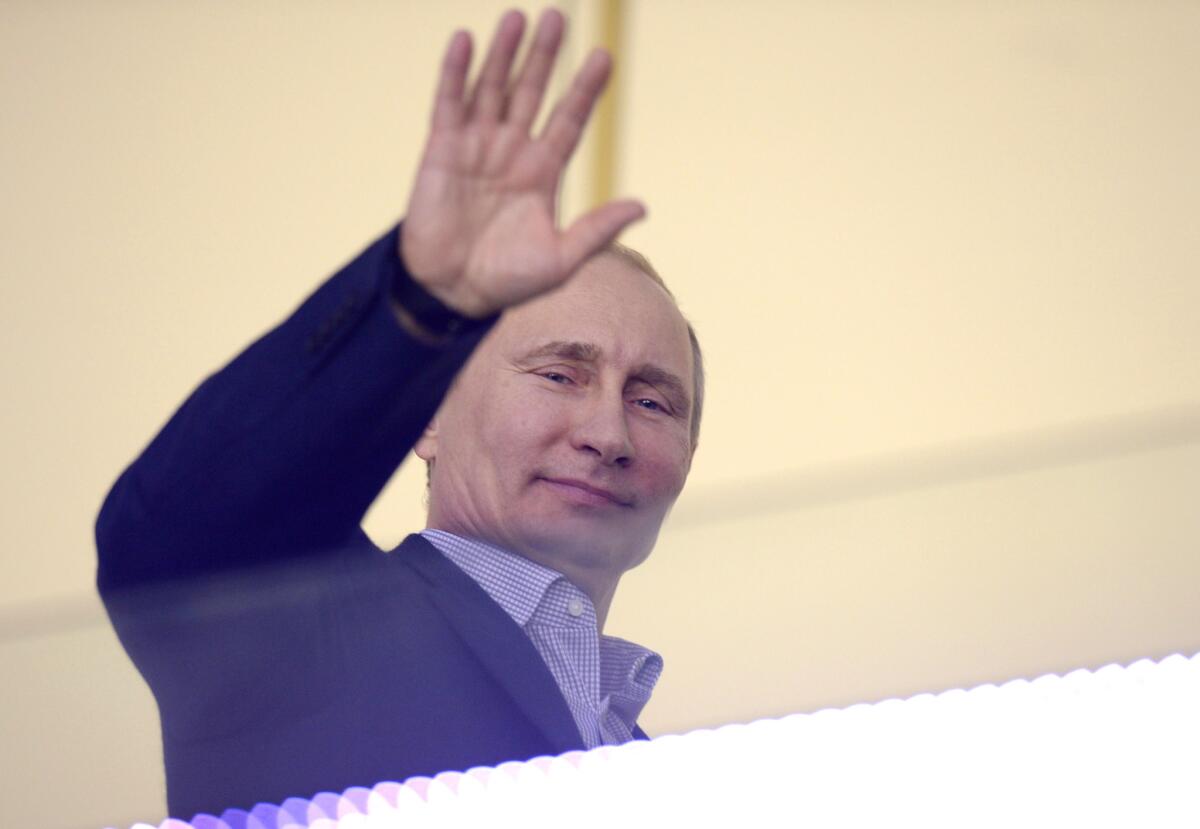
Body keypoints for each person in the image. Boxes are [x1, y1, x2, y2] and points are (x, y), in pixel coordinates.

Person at [96, 8, 702, 820]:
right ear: (426, 419)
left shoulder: (666, 772)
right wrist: (423, 304)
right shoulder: (311, 628)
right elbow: (170, 541)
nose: (608, 432)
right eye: (560, 373)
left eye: (653, 399)